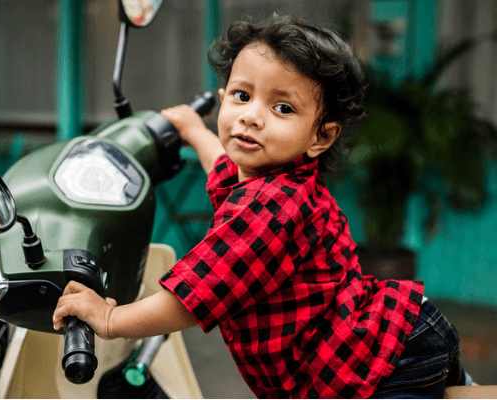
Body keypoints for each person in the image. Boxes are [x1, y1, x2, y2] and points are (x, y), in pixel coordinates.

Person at [53, 13, 473, 398]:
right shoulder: (264, 177)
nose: (252, 116)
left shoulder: (271, 208)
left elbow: (194, 295)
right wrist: (193, 131)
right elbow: (220, 163)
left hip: (384, 365)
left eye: (283, 107)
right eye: (241, 95)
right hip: (391, 341)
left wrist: (111, 320)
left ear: (320, 137)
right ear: (223, 97)